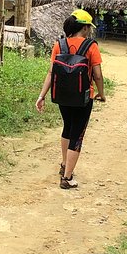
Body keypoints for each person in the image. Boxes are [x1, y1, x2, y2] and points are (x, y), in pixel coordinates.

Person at [35, 10, 105, 188]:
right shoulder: (91, 46)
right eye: (89, 27)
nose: (90, 30)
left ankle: (64, 164)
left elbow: (51, 72)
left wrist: (42, 96)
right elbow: (97, 75)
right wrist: (101, 93)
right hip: (83, 98)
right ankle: (67, 178)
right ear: (85, 27)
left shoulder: (59, 45)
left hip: (62, 96)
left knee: (67, 127)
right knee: (77, 134)